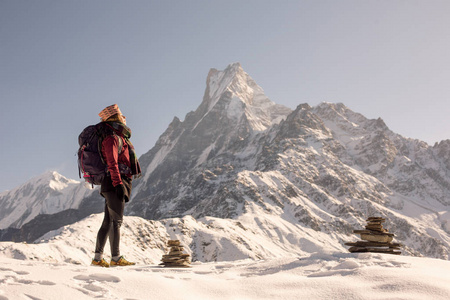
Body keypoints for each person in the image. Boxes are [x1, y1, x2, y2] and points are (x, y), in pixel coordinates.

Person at [91, 104, 142, 267]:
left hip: (115, 182)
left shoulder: (120, 138)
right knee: (116, 221)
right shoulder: (112, 138)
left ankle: (97, 259)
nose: (124, 118)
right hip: (115, 182)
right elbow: (112, 162)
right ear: (115, 118)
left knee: (108, 220)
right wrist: (118, 183)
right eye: (121, 116)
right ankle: (115, 258)